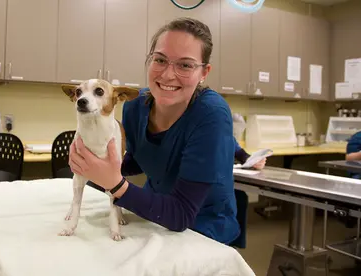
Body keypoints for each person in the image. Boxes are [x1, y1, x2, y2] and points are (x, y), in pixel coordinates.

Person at [68, 17, 240, 245]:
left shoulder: (211, 114)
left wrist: (115, 183)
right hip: (152, 215)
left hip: (202, 227)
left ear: (204, 72)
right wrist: (94, 163)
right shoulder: (134, 107)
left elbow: (181, 214)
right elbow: (146, 158)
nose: (168, 75)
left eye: (185, 65)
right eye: (160, 59)